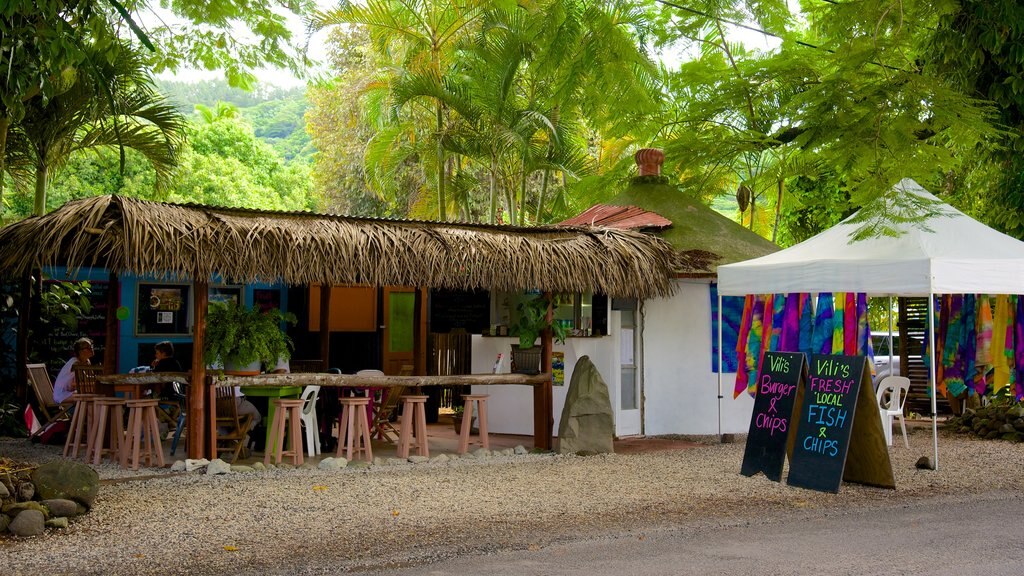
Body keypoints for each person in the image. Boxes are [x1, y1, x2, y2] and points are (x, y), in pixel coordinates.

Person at [53, 337, 94, 404]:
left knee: (92, 394)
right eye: (88, 347)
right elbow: (85, 379)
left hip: (72, 392)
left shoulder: (86, 361)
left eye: (91, 346)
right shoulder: (75, 363)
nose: (91, 348)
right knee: (89, 397)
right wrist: (99, 378)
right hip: (63, 394)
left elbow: (89, 378)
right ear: (80, 351)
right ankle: (85, 414)